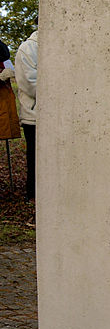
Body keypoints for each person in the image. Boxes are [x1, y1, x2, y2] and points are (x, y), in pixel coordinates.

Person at [15, 29, 38, 201]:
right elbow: (31, 84)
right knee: (35, 158)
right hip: (34, 116)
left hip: (60, 116)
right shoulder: (27, 49)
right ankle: (33, 193)